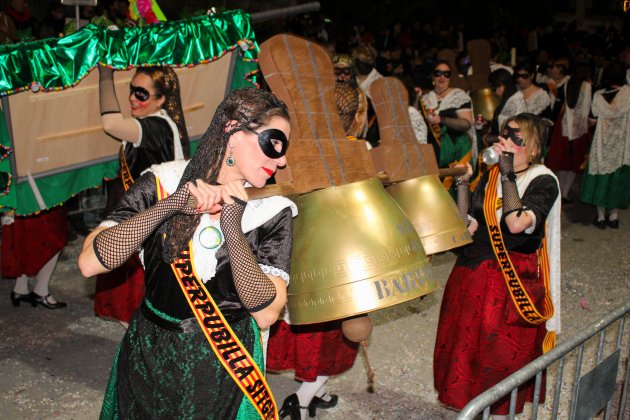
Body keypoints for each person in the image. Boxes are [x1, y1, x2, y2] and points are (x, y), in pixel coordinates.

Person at [78, 87, 296, 418]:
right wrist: (171, 205)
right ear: (233, 130)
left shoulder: (272, 209)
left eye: (284, 149)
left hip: (227, 368)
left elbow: (267, 314)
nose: (282, 159)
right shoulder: (162, 181)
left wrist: (233, 229)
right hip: (151, 354)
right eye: (273, 143)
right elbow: (90, 263)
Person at [434, 113, 561, 416]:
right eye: (506, 134)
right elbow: (467, 224)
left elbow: (517, 224)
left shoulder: (543, 179)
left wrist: (507, 174)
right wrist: (464, 184)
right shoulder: (490, 175)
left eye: (517, 138)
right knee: (464, 353)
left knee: (498, 354)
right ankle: (471, 407)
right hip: (472, 276)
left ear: (532, 148)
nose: (506, 140)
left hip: (509, 281)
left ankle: (498, 409)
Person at [266, 81, 366, 420]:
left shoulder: (295, 147)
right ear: (355, 116)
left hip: (299, 248)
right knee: (331, 333)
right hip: (335, 253)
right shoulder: (351, 151)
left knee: (318, 327)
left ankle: (316, 390)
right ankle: (302, 399)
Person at [93, 64, 189, 325]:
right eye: (131, 91)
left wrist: (105, 75)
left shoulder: (155, 126)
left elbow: (111, 123)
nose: (132, 98)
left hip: (147, 220)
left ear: (161, 100)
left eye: (141, 94)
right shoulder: (151, 124)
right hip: (140, 213)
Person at [580, 62, 630, 229]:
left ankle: (601, 217)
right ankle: (614, 216)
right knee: (617, 180)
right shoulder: (628, 94)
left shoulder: (599, 96)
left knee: (600, 178)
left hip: (601, 144)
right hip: (622, 145)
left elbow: (592, 121)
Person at [421, 60, 475, 186]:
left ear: (450, 77)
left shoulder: (459, 96)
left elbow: (466, 123)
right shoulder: (425, 98)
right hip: (433, 152)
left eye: (446, 74)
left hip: (457, 149)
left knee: (458, 188)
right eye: (438, 73)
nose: (442, 77)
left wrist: (442, 120)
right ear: (432, 76)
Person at [545, 63, 593, 204]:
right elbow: (585, 109)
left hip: (563, 125)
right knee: (573, 162)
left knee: (561, 161)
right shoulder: (587, 85)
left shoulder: (568, 83)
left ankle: (558, 190)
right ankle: (565, 193)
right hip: (579, 127)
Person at [3, 207, 68, 309]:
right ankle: (41, 290)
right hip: (34, 199)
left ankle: (20, 289)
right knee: (55, 237)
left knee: (21, 236)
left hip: (15, 199)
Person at [496, 62, 551, 130]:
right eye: (518, 76)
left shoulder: (542, 96)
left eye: (524, 76)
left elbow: (547, 120)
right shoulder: (513, 90)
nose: (520, 79)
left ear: (532, 76)